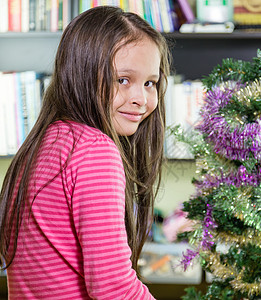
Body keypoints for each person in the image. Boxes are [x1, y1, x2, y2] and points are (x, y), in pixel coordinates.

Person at [0, 5, 171, 299]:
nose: (141, 99)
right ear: (82, 74)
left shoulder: (45, 142)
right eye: (123, 80)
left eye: (150, 83)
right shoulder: (94, 150)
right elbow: (112, 287)